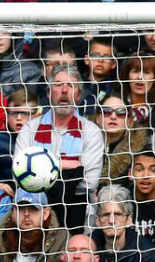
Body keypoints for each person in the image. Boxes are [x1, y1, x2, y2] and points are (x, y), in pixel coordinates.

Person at [15, 64, 104, 231]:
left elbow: (89, 182)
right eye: (57, 84)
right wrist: (66, 166)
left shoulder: (91, 132)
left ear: (78, 95)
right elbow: (20, 176)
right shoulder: (29, 129)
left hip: (77, 211)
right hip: (34, 211)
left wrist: (41, 170)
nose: (64, 90)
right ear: (49, 93)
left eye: (71, 85)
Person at [92, 95, 148, 186]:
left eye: (121, 113)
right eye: (106, 111)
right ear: (98, 118)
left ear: (129, 122)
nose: (113, 117)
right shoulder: (82, 142)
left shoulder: (140, 152)